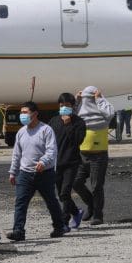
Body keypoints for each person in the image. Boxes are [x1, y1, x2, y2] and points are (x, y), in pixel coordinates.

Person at [6, 102, 65, 240]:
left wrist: (43, 162)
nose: (22, 115)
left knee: (51, 201)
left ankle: (59, 226)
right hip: (25, 174)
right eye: (21, 112)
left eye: (25, 112)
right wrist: (13, 172)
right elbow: (17, 154)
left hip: (44, 173)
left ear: (35, 113)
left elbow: (52, 150)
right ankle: (18, 231)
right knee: (20, 202)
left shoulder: (46, 130)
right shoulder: (21, 132)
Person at [75, 86, 115, 225]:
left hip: (98, 155)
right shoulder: (79, 112)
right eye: (87, 99)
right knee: (76, 182)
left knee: (96, 186)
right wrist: (77, 101)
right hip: (81, 154)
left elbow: (110, 113)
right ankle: (91, 204)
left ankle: (98, 214)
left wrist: (99, 99)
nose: (88, 101)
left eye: (90, 98)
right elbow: (69, 117)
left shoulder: (103, 113)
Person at [49, 93, 87, 229]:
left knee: (65, 192)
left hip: (71, 162)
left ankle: (64, 221)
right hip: (56, 163)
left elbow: (78, 141)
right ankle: (76, 212)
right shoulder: (54, 121)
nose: (64, 108)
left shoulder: (79, 122)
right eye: (61, 105)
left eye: (67, 106)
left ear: (72, 106)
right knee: (61, 195)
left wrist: (68, 125)